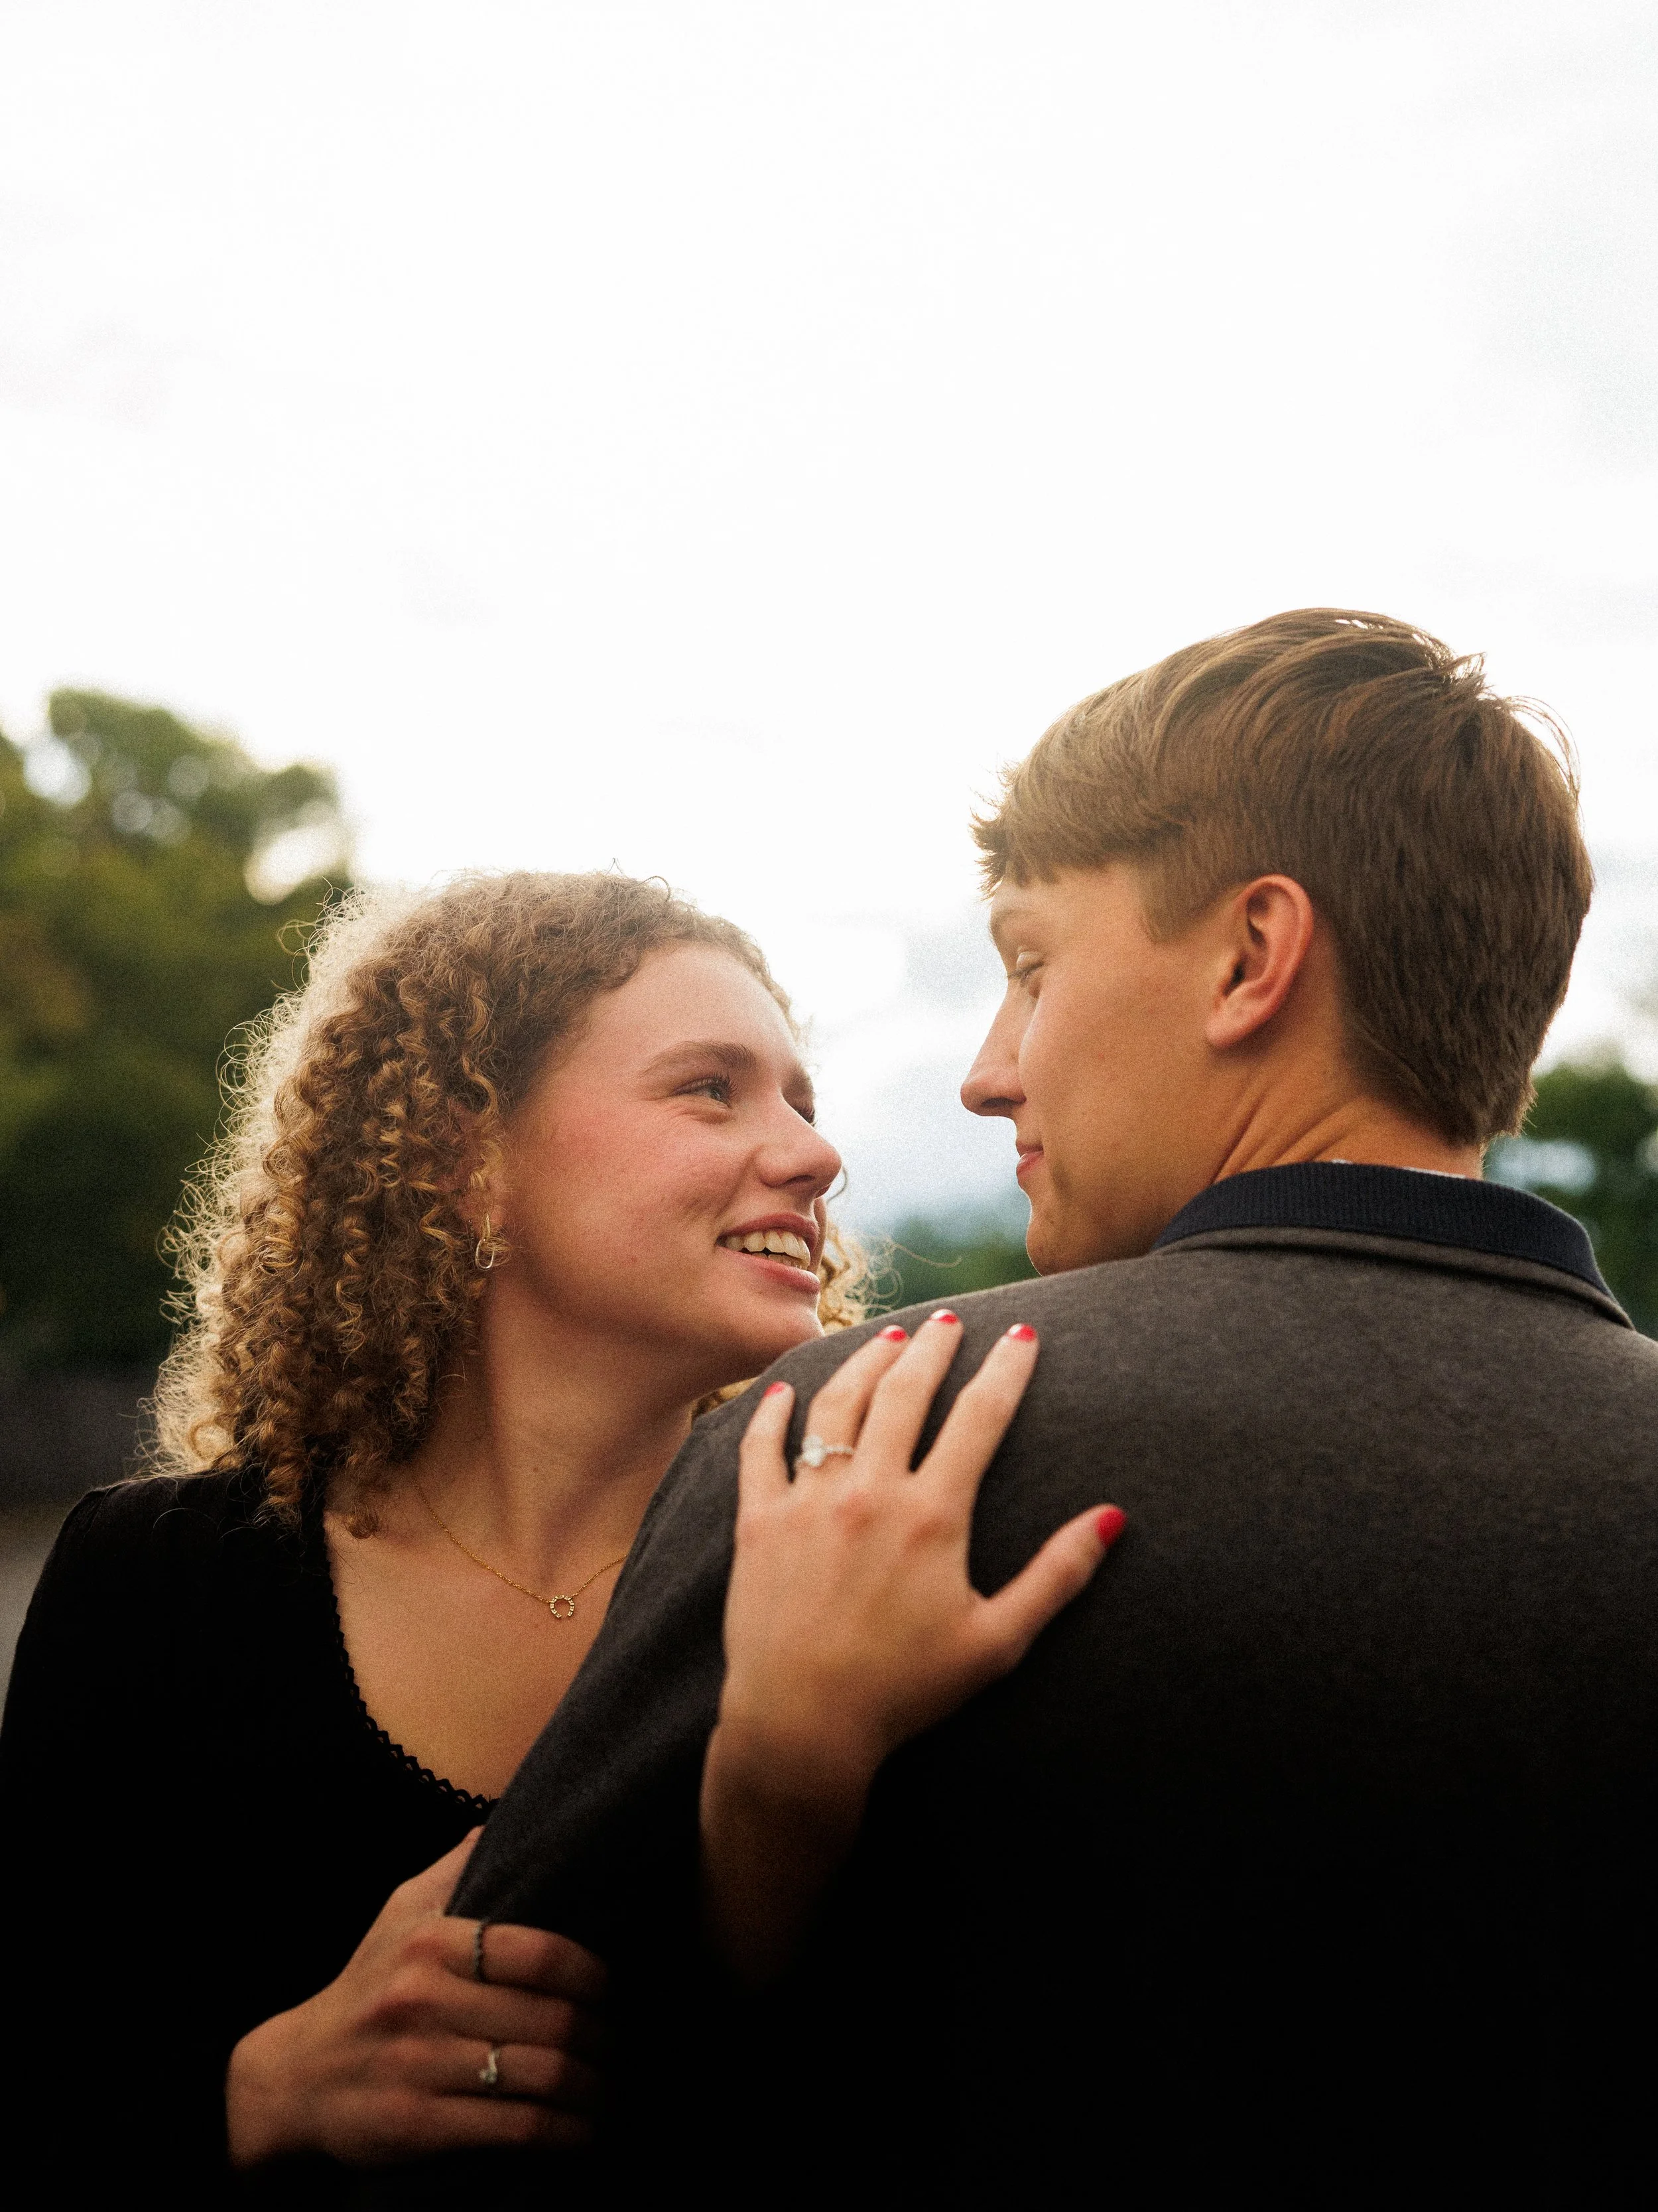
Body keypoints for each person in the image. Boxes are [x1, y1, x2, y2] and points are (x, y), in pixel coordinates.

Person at [451, 610, 1658, 2197]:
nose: (986, 1066)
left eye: (1030, 966)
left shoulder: (886, 1426)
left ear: (1249, 957)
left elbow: (491, 2096)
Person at [0, 870, 1116, 2195]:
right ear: (459, 1160)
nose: (816, 1155)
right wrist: (260, 2088)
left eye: (802, 1102)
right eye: (710, 1086)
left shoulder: (864, 1561)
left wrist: (793, 1789)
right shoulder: (154, 1581)